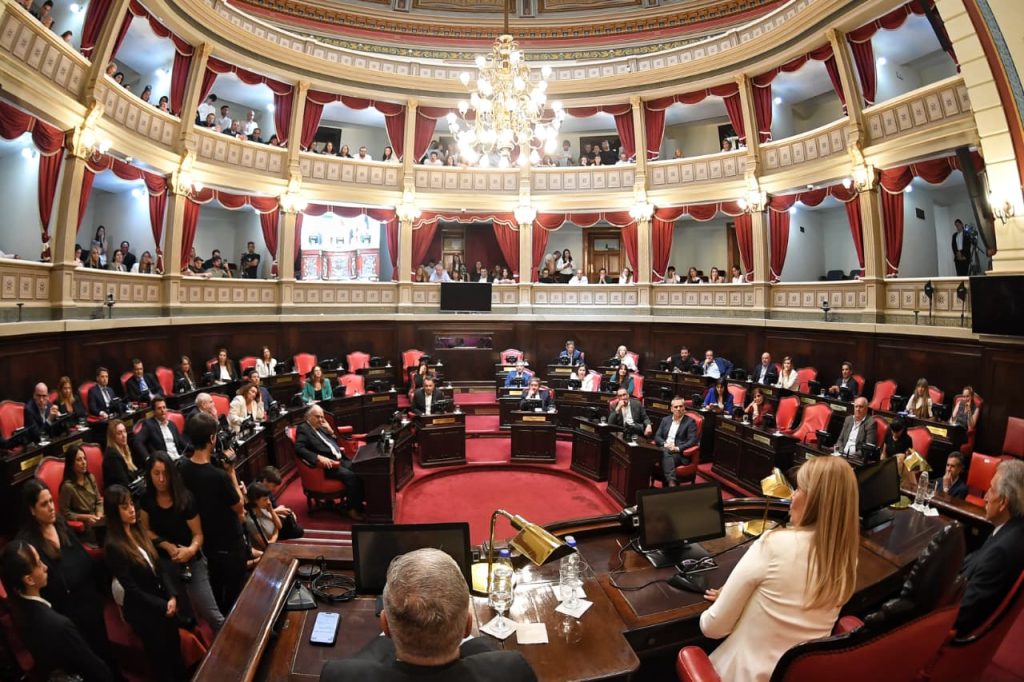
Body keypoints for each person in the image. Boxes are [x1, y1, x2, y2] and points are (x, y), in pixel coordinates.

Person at [700, 456, 859, 682]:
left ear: (815, 500)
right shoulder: (846, 557)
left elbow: (712, 628)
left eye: (799, 489)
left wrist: (730, 599)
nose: (792, 496)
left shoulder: (774, 544)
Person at [320, 548, 537, 682]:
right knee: (480, 645)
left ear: (385, 626)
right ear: (467, 626)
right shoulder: (512, 671)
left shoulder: (340, 676)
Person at [16, 479, 116, 674]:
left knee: (105, 651)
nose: (51, 507)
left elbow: (81, 556)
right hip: (68, 613)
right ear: (32, 510)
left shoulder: (60, 522)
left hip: (89, 600)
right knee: (90, 663)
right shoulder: (28, 544)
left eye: (51, 501)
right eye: (44, 504)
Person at [103, 485, 187, 681]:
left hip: (163, 602)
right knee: (161, 663)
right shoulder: (113, 545)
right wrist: (163, 605)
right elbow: (132, 589)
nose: (132, 510)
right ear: (114, 512)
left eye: (131, 504)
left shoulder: (138, 530)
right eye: (125, 507)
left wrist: (172, 595)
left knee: (176, 655)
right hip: (146, 612)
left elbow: (159, 567)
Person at [0, 540, 114, 682]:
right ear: (29, 579)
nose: (45, 567)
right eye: (38, 563)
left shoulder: (18, 610)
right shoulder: (59, 625)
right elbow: (97, 670)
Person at [180, 412, 248, 611]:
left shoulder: (182, 469)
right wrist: (231, 473)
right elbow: (239, 505)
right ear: (212, 438)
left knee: (216, 588)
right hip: (229, 542)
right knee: (236, 592)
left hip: (206, 543)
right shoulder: (219, 476)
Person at [955, 459, 1024, 634]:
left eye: (991, 490)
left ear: (1003, 503)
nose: (985, 497)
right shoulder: (1012, 529)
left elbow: (962, 614)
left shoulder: (1002, 551)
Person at [294, 404, 365, 520]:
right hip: (326, 466)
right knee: (351, 477)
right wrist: (317, 457)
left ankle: (358, 504)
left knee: (360, 469)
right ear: (308, 417)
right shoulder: (303, 429)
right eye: (317, 417)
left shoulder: (321, 427)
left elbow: (332, 443)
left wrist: (331, 432)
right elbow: (299, 448)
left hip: (339, 459)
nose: (321, 420)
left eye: (322, 417)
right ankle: (352, 509)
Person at [58, 445, 104, 542]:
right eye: (79, 460)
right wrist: (86, 517)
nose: (84, 462)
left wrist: (99, 515)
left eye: (84, 458)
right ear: (71, 464)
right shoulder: (67, 487)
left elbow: (99, 501)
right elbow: (65, 513)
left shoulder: (90, 478)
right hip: (86, 526)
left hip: (98, 519)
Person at [655, 397, 699, 486]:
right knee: (664, 452)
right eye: (676, 407)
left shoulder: (690, 422)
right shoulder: (665, 420)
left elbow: (693, 441)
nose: (678, 409)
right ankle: (671, 482)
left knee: (664, 456)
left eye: (681, 406)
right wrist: (665, 444)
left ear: (684, 408)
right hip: (665, 448)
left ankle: (670, 483)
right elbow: (657, 436)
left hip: (679, 454)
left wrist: (677, 448)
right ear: (671, 409)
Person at [252, 466, 303, 541]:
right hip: (264, 522)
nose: (273, 488)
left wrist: (282, 510)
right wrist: (276, 511)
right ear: (265, 480)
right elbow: (258, 514)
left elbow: (273, 505)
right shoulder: (254, 491)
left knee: (291, 520)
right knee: (298, 531)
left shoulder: (265, 488)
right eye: (273, 485)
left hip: (271, 516)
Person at [137, 396, 186, 460]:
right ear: (154, 411)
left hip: (179, 459)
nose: (163, 410)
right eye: (159, 408)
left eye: (164, 407)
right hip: (164, 462)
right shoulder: (149, 425)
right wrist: (148, 458)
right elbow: (138, 442)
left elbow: (182, 442)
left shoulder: (171, 424)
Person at [103, 419, 143, 491]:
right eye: (119, 433)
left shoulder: (124, 449)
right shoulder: (112, 456)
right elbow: (124, 483)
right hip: (119, 494)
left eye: (124, 431)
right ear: (112, 437)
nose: (124, 435)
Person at [244, 482, 281, 551]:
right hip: (265, 552)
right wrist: (276, 532)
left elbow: (279, 525)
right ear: (255, 501)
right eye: (265, 499)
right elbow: (267, 545)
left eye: (268, 498)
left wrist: (271, 510)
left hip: (275, 546)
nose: (268, 502)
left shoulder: (263, 508)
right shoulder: (251, 521)